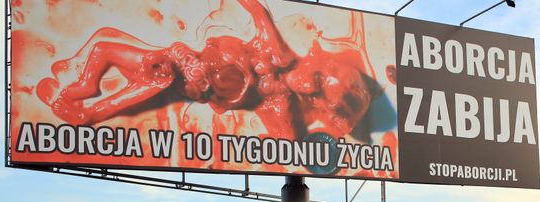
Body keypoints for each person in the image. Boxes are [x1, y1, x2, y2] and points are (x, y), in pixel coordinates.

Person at [35, 0, 373, 140]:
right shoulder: (275, 50)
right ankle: (83, 87)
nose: (308, 73)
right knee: (104, 49)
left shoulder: (279, 103)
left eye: (317, 82)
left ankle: (89, 112)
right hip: (179, 57)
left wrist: (322, 135)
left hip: (181, 80)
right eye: (319, 68)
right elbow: (257, 11)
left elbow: (288, 140)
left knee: (154, 82)